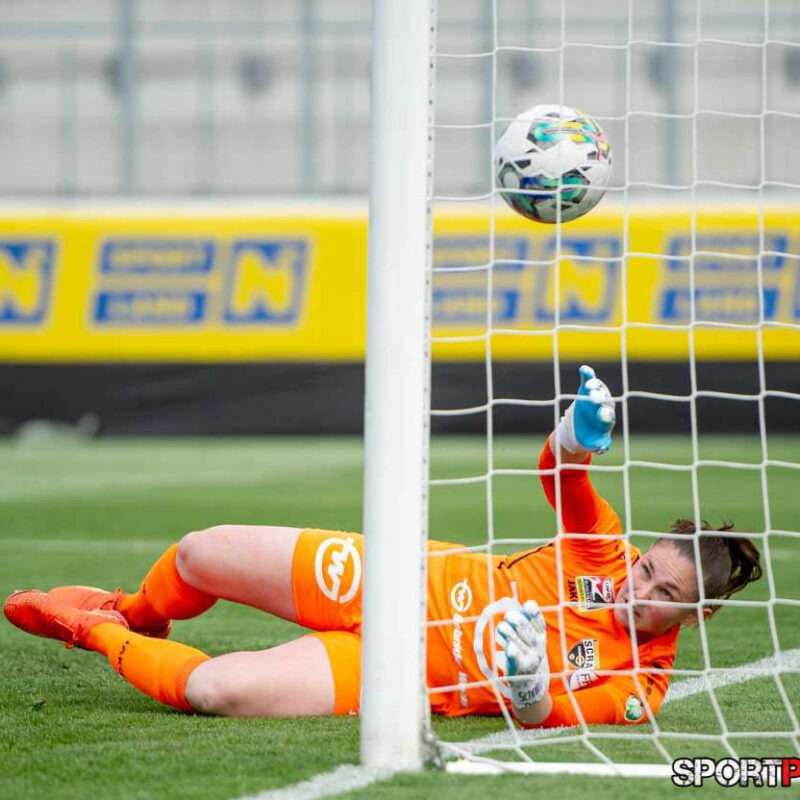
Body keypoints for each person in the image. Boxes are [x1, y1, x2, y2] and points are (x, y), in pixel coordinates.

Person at [4, 366, 762, 728]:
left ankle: (93, 631)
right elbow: (561, 478)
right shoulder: (604, 553)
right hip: (391, 575)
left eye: (666, 597)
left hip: (400, 673)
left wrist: (529, 688)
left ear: (693, 620)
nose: (640, 591)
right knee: (200, 553)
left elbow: (548, 720)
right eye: (648, 572)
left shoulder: (643, 689)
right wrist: (574, 438)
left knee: (215, 693)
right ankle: (136, 613)